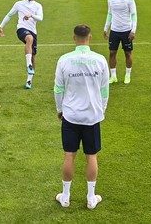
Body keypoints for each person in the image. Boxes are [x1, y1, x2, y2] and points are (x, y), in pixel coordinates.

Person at [53, 24, 110, 210]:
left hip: (71, 115)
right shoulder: (100, 60)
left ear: (73, 37)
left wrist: (60, 109)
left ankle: (66, 197)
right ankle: (91, 198)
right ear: (90, 37)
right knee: (91, 156)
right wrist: (102, 109)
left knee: (69, 154)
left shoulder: (64, 60)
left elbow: (58, 89)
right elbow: (104, 90)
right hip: (92, 116)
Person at [0, 0, 44, 89]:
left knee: (33, 56)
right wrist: (1, 26)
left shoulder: (38, 6)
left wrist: (31, 15)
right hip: (21, 29)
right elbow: (9, 15)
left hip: (33, 31)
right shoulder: (18, 4)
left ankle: (29, 81)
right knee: (29, 38)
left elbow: (41, 18)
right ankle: (28, 65)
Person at [103, 0, 137, 84]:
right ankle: (113, 76)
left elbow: (134, 15)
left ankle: (127, 75)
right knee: (112, 52)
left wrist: (133, 30)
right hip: (114, 30)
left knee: (127, 53)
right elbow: (109, 14)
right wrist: (105, 28)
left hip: (126, 30)